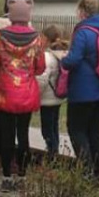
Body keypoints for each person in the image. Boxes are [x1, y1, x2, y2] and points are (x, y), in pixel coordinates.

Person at [0, 0, 46, 192]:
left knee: (6, 136)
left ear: (11, 15)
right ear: (28, 15)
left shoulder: (0, 37)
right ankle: (22, 176)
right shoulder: (36, 38)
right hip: (27, 94)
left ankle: (6, 177)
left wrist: (1, 74)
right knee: (23, 136)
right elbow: (40, 67)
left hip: (5, 93)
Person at [61, 0, 99, 181]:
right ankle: (96, 171)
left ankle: (85, 171)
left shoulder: (84, 31)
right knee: (94, 130)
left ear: (83, 11)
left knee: (76, 129)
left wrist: (63, 59)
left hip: (84, 90)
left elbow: (74, 59)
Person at [36, 25, 69, 161]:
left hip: (47, 99)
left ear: (47, 39)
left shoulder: (47, 57)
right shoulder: (63, 54)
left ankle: (52, 154)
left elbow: (42, 80)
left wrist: (36, 95)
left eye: (41, 37)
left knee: (47, 129)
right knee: (54, 126)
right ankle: (54, 151)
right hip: (58, 97)